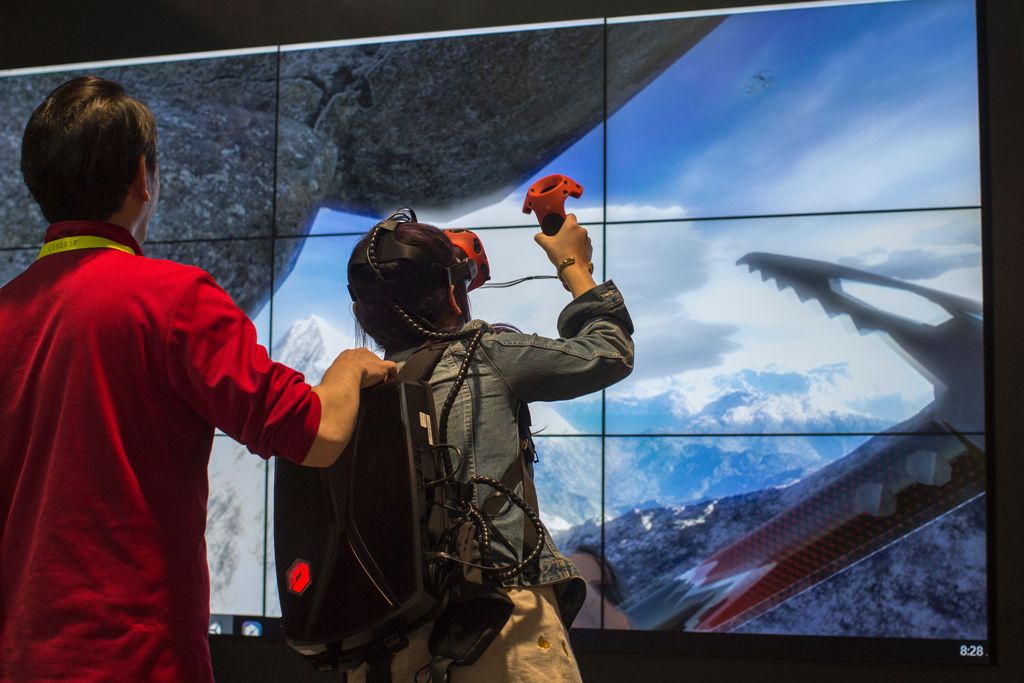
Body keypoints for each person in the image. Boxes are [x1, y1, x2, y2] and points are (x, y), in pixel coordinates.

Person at [0, 76, 395, 682]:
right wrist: (349, 367)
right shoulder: (174, 300)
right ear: (144, 177)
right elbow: (316, 434)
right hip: (137, 662)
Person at [345, 212, 635, 681]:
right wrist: (574, 266)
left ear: (363, 315)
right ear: (454, 294)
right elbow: (609, 352)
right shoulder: (484, 355)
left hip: (391, 639)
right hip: (501, 626)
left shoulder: (352, 394)